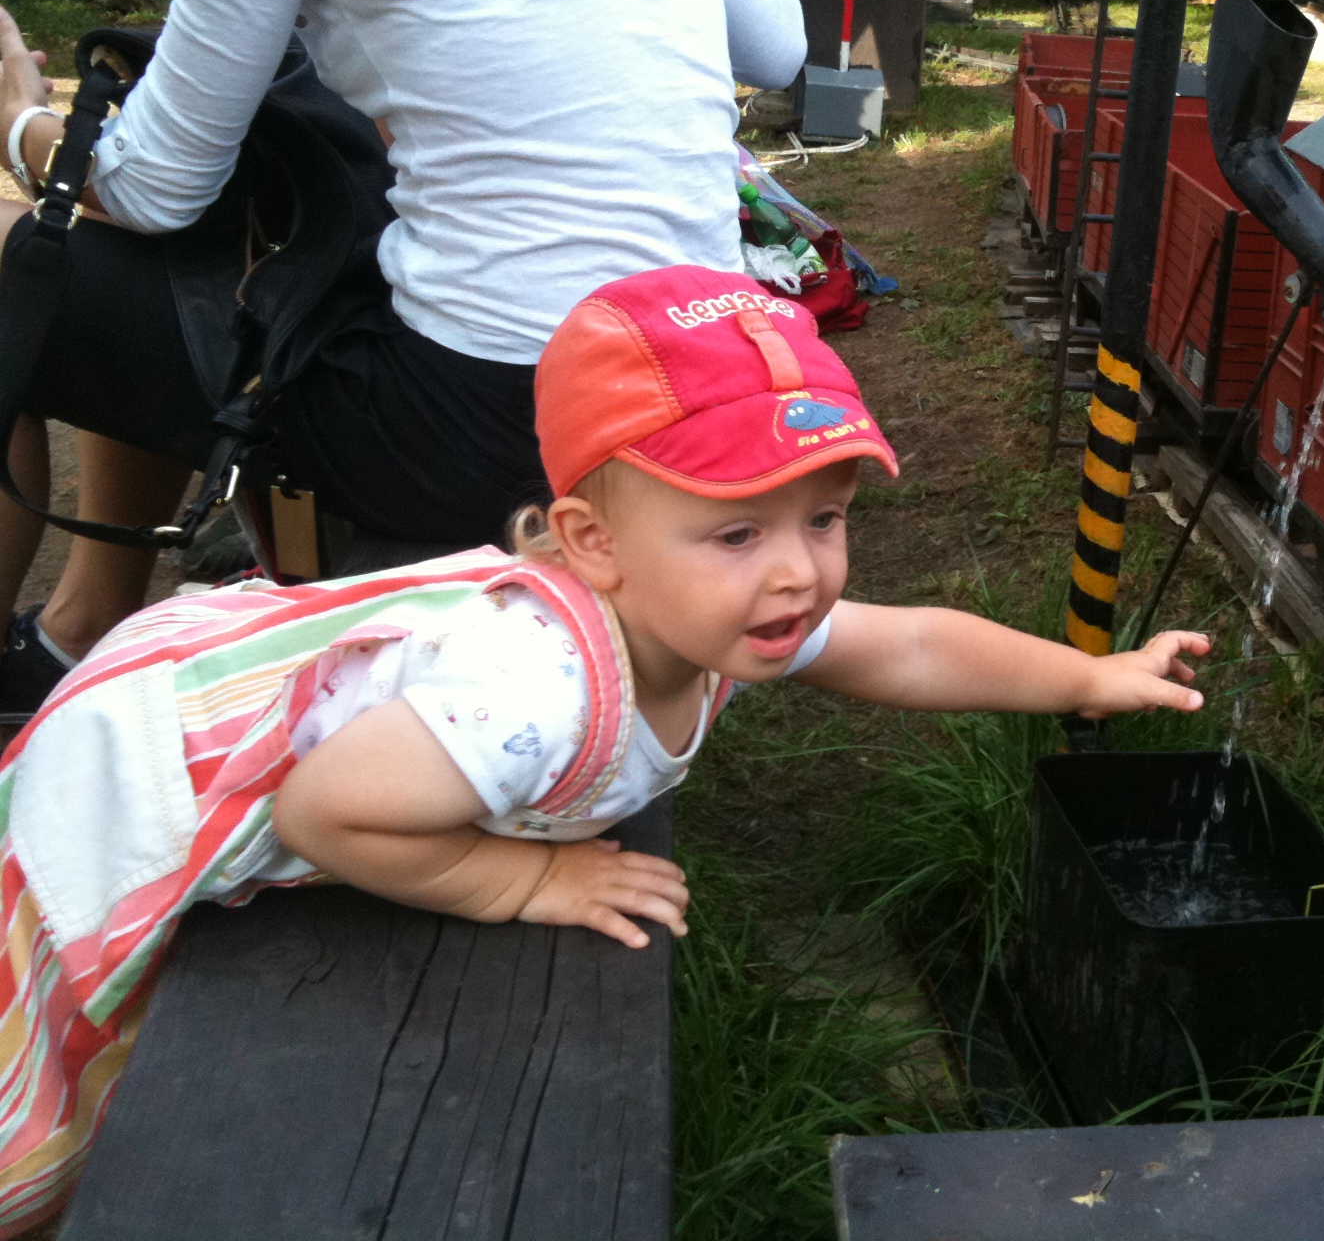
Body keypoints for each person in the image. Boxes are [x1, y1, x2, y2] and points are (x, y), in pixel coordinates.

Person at [0, 264, 1210, 1235]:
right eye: (736, 532)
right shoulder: (540, 692)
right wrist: (526, 879)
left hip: (303, 738)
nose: (798, 571)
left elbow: (905, 646)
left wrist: (1089, 676)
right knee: (49, 1119)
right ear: (592, 543)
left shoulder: (712, 611)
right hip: (138, 793)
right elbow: (324, 811)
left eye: (824, 518)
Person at [0, 0, 806, 714]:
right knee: (181, 277)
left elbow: (158, 187)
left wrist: (21, 124)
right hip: (699, 371)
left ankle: (69, 641)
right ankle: (84, 627)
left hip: (487, 423)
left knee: (15, 258)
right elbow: (778, 44)